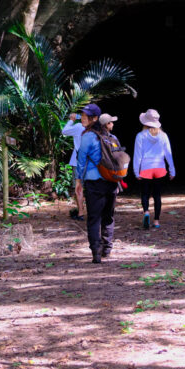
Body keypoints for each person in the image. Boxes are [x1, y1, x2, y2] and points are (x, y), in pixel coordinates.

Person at [75, 105, 120, 263]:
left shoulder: (87, 136)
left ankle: (96, 251)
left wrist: (78, 180)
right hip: (111, 181)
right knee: (108, 216)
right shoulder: (111, 136)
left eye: (86, 116)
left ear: (95, 118)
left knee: (94, 218)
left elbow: (81, 160)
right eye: (82, 115)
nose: (83, 117)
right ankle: (107, 249)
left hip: (94, 182)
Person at [132, 108, 175, 229]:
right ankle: (156, 221)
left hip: (146, 168)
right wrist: (172, 170)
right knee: (157, 195)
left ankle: (146, 212)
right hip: (160, 167)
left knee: (145, 193)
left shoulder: (140, 136)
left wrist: (136, 171)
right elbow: (168, 154)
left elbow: (137, 155)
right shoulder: (163, 136)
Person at [62, 107, 93, 220]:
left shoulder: (78, 127)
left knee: (78, 187)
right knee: (91, 187)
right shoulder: (95, 128)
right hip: (92, 162)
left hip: (78, 162)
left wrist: (71, 119)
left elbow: (64, 131)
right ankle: (93, 211)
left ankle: (80, 213)